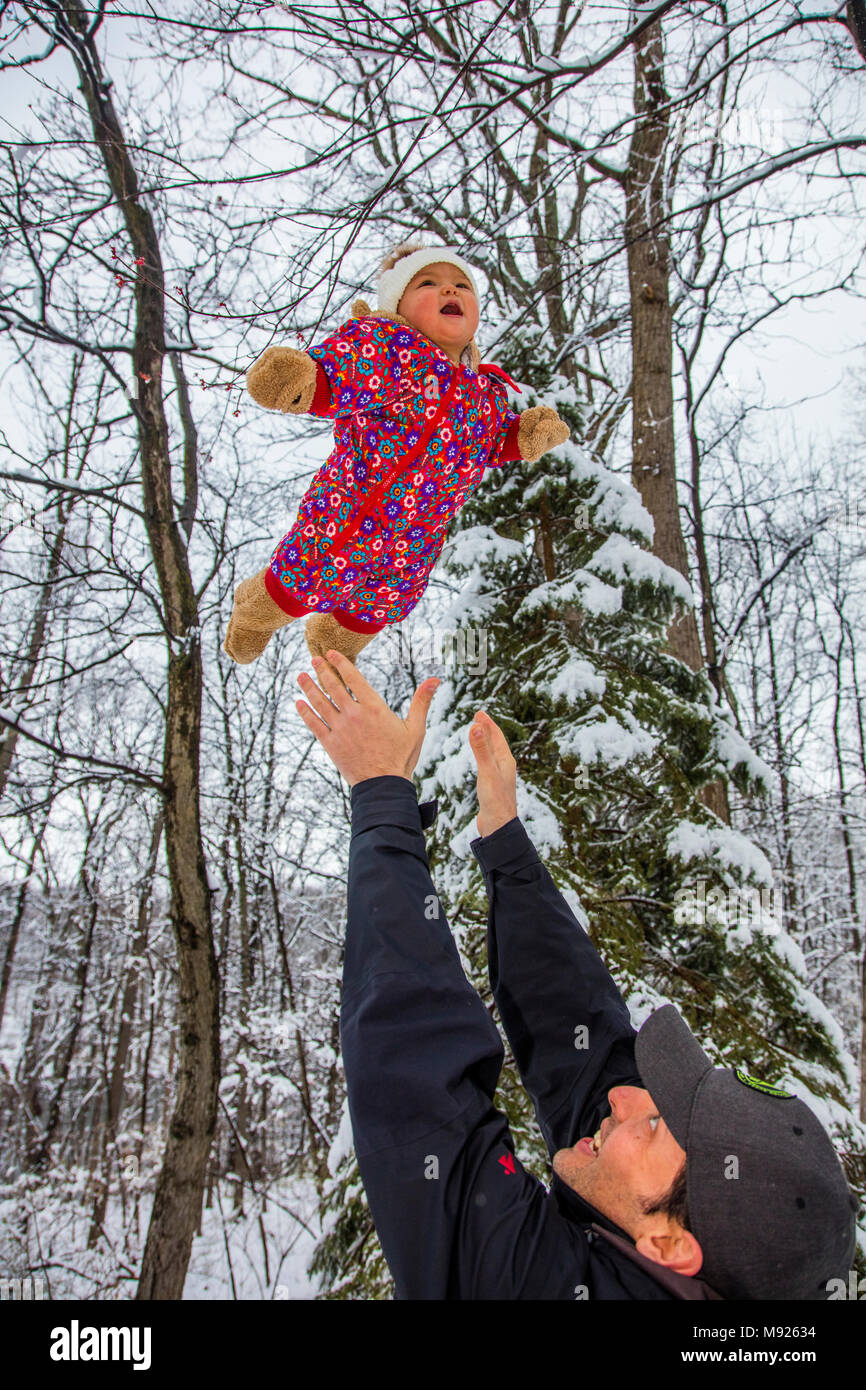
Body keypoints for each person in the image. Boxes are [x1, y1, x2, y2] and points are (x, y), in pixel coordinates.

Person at [294, 648, 858, 1300]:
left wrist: (380, 793)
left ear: (671, 1246)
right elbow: (588, 1059)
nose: (627, 1099)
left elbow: (419, 1091)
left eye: (654, 1123)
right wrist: (506, 844)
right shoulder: (670, 1246)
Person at [223, 241, 568, 673]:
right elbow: (349, 370)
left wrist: (525, 435)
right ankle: (253, 615)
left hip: (417, 539)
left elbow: (491, 441)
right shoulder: (392, 348)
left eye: (462, 285)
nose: (450, 292)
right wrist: (308, 380)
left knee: (383, 604)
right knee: (300, 582)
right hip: (349, 515)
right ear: (399, 306)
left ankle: (332, 641)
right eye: (430, 283)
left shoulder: (483, 393)